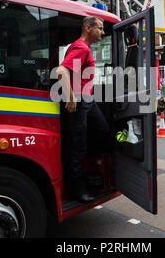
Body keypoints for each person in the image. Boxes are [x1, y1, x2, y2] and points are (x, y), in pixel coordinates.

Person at [56, 16, 109, 203]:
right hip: (79, 101)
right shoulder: (81, 48)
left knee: (102, 129)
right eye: (100, 29)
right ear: (88, 28)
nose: (102, 33)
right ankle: (76, 189)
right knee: (77, 146)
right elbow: (61, 71)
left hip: (88, 99)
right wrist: (70, 97)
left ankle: (85, 169)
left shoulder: (80, 47)